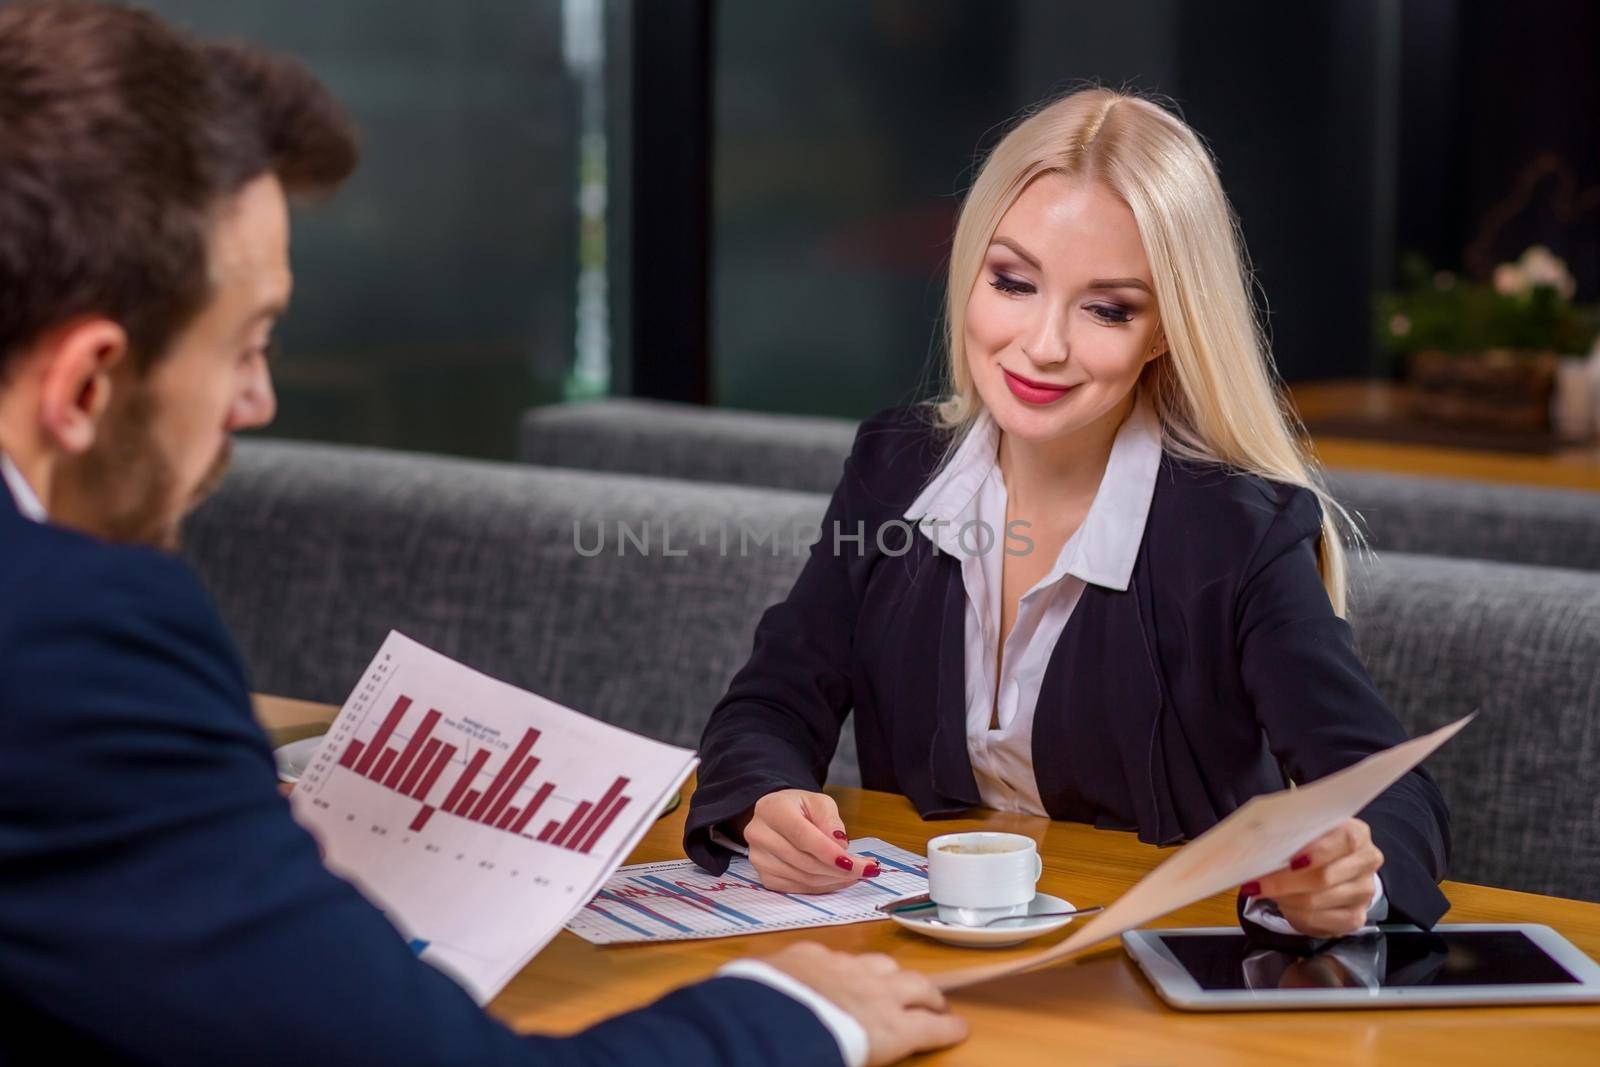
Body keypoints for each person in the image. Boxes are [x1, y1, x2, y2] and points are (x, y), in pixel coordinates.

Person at [0, 3, 966, 1064]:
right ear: (88, 381)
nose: (259, 400)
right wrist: (796, 1013)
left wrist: (222, 845)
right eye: (246, 345)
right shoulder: (73, 639)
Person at [685, 88, 1450, 943]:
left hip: (1146, 983)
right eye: (1012, 281)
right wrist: (766, 798)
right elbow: (775, 698)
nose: (1043, 343)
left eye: (1108, 308)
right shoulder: (893, 468)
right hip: (923, 958)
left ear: (1165, 330)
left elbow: (1390, 787)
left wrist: (1349, 875)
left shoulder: (1240, 533)